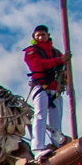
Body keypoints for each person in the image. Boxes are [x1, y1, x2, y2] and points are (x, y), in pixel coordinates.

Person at [23, 24, 69, 154]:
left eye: (43, 35)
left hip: (55, 89)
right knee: (40, 116)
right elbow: (37, 65)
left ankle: (57, 144)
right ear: (34, 37)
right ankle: (38, 148)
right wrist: (59, 61)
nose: (40, 37)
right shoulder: (31, 51)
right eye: (38, 35)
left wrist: (66, 77)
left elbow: (65, 68)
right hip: (41, 86)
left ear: (48, 35)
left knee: (56, 121)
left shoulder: (56, 53)